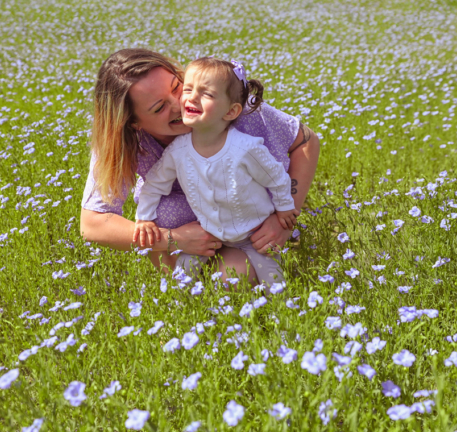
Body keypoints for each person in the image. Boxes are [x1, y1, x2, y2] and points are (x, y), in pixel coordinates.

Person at [79, 48, 320, 286]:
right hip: (189, 236)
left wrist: (284, 219)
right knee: (222, 270)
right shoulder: (123, 141)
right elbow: (92, 223)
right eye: (159, 108)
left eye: (176, 87)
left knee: (236, 277)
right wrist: (172, 239)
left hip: (250, 225)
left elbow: (306, 141)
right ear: (133, 122)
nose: (182, 103)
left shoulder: (227, 106)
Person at [134, 57, 298, 286]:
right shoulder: (178, 151)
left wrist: (284, 209)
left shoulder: (246, 148)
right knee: (180, 280)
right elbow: (154, 185)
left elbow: (277, 178)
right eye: (188, 89)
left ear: (231, 111)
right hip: (210, 234)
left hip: (255, 234)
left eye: (207, 94)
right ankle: (178, 312)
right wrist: (144, 218)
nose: (191, 97)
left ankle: (280, 314)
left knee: (275, 283)